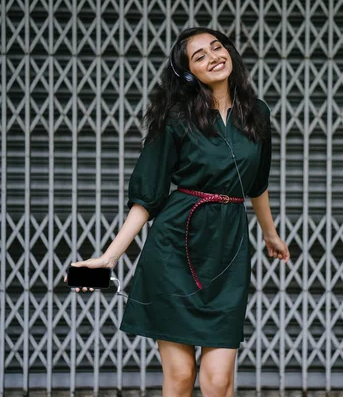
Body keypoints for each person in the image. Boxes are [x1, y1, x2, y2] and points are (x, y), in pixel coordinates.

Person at [66, 27, 290, 397]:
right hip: (175, 248)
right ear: (188, 73)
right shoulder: (177, 117)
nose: (213, 57)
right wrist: (109, 257)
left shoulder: (258, 113)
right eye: (199, 56)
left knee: (218, 382)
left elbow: (256, 183)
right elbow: (148, 196)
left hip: (227, 249)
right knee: (182, 376)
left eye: (217, 48)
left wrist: (270, 234)